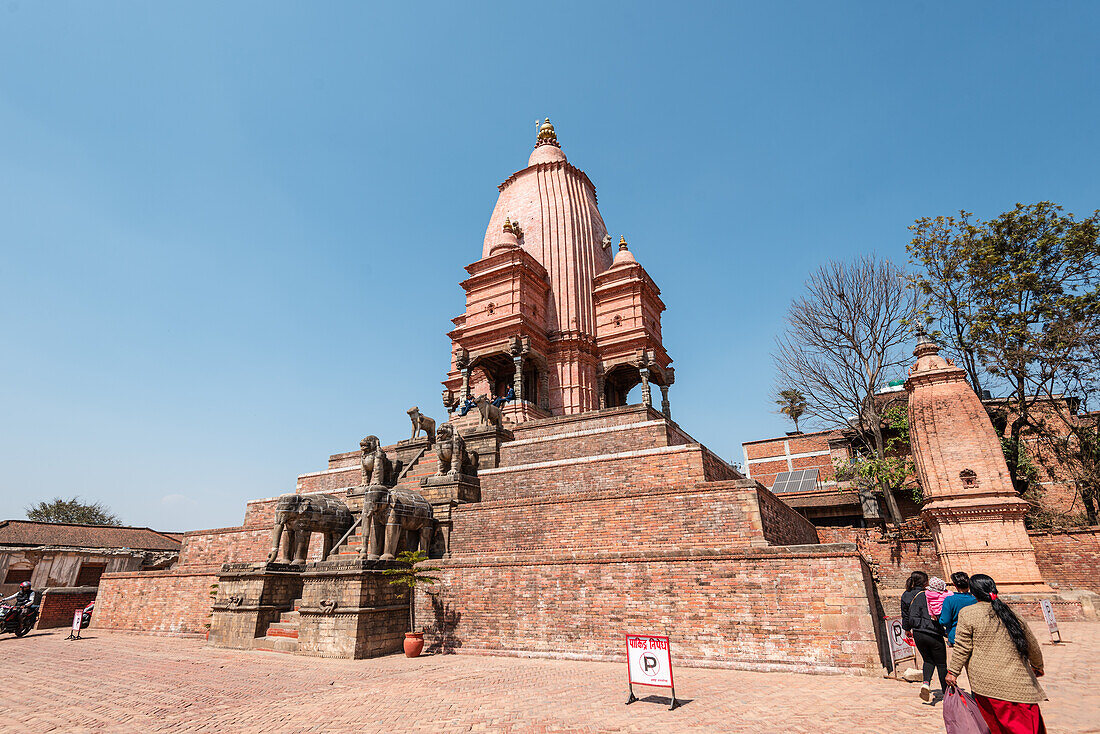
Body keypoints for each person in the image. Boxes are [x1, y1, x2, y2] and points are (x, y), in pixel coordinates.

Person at [946, 574, 1046, 733]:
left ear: (974, 592)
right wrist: (1038, 666)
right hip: (1020, 684)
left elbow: (963, 647)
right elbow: (1031, 644)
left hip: (986, 684)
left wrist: (953, 672)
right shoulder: (1011, 613)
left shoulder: (968, 613)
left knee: (998, 727)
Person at [900, 570, 948, 703]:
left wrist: (907, 629)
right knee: (941, 664)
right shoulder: (929, 594)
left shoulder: (906, 594)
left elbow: (905, 614)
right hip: (933, 631)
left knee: (928, 660)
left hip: (917, 632)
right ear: (925, 582)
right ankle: (946, 692)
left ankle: (926, 683)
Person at [939, 571, 978, 646]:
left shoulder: (949, 600)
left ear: (955, 585)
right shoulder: (975, 598)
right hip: (974, 635)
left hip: (956, 635)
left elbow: (945, 620)